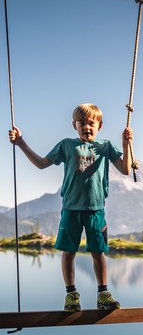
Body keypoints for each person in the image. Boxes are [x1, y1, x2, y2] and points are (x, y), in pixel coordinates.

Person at [8, 103, 133, 311]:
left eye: (91, 123)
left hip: (96, 210)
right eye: (81, 123)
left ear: (100, 126)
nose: (86, 127)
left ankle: (103, 294)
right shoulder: (66, 145)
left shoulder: (106, 146)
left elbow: (126, 169)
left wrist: (126, 144)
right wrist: (21, 143)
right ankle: (71, 295)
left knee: (98, 252)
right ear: (74, 125)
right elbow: (41, 164)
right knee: (68, 251)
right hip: (70, 208)